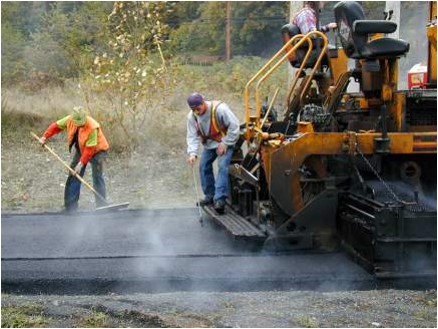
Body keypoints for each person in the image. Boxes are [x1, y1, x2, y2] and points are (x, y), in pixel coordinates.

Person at [39, 106, 109, 212]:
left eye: (82, 122)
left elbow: (90, 150)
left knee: (97, 177)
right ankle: (70, 207)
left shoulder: (92, 126)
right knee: (74, 174)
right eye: (78, 123)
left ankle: (102, 205)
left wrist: (80, 164)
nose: (80, 124)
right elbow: (56, 126)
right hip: (82, 149)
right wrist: (45, 137)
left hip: (98, 150)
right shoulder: (69, 119)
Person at [186, 93, 240, 214]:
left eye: (198, 109)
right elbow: (192, 136)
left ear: (203, 102)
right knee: (203, 166)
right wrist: (192, 153)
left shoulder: (220, 109)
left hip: (225, 142)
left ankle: (220, 199)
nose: (197, 112)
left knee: (222, 167)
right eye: (194, 110)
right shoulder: (192, 116)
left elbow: (235, 126)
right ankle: (210, 196)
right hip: (209, 145)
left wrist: (225, 143)